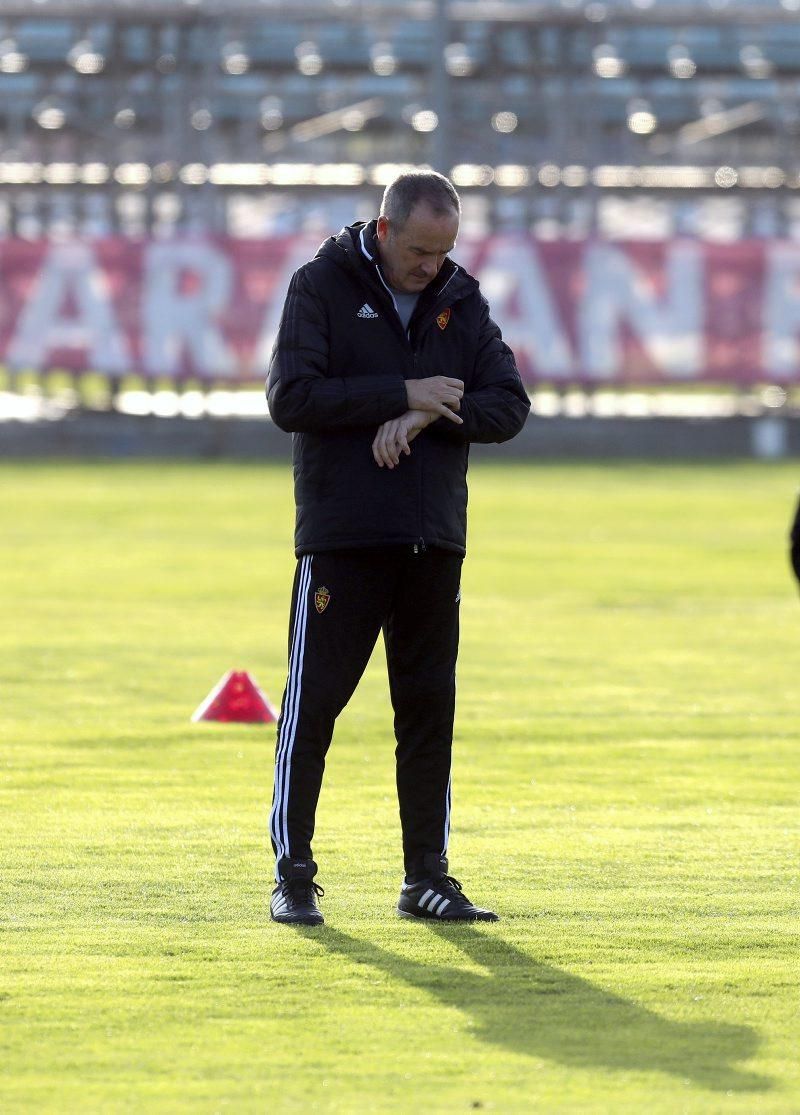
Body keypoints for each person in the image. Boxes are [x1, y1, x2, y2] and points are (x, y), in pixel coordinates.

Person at [266, 171, 530, 926]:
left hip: (432, 539)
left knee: (426, 712)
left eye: (444, 250)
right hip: (343, 536)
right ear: (384, 232)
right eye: (420, 250)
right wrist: (403, 392)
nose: (431, 266)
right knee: (312, 708)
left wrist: (424, 418)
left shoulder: (460, 297)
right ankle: (293, 872)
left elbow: (508, 404)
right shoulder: (320, 285)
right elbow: (292, 398)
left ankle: (427, 877)